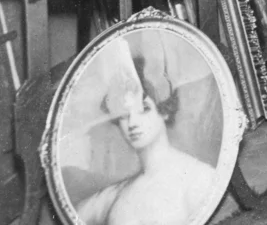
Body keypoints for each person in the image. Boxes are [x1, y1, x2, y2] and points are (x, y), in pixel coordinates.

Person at [75, 40, 219, 225]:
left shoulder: (199, 178)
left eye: (144, 109)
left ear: (164, 109)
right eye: (124, 115)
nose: (133, 123)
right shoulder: (116, 194)